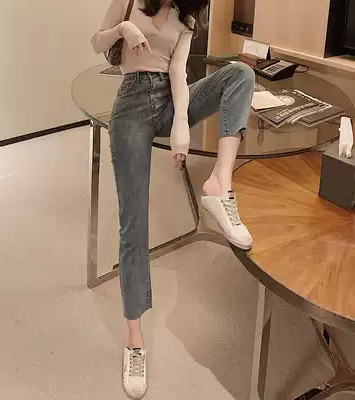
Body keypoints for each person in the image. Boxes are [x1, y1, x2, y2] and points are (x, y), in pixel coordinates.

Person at [92, 0, 255, 397]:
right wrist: (123, 30)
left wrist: (182, 121)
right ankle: (135, 342)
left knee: (240, 74)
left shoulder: (186, 16)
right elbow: (96, 42)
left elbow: (178, 72)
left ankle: (220, 183)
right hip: (131, 105)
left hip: (169, 99)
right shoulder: (129, 2)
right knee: (134, 225)